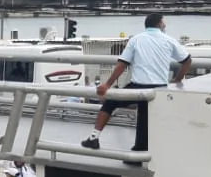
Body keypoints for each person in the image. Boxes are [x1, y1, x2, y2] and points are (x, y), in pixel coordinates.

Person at [81, 14, 192, 163]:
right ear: (159, 24)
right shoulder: (169, 40)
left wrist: (107, 84)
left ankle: (94, 138)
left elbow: (122, 64)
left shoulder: (136, 39)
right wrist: (177, 79)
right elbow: (187, 61)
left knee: (110, 102)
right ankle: (140, 153)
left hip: (138, 87)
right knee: (145, 121)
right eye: (163, 23)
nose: (164, 26)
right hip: (159, 88)